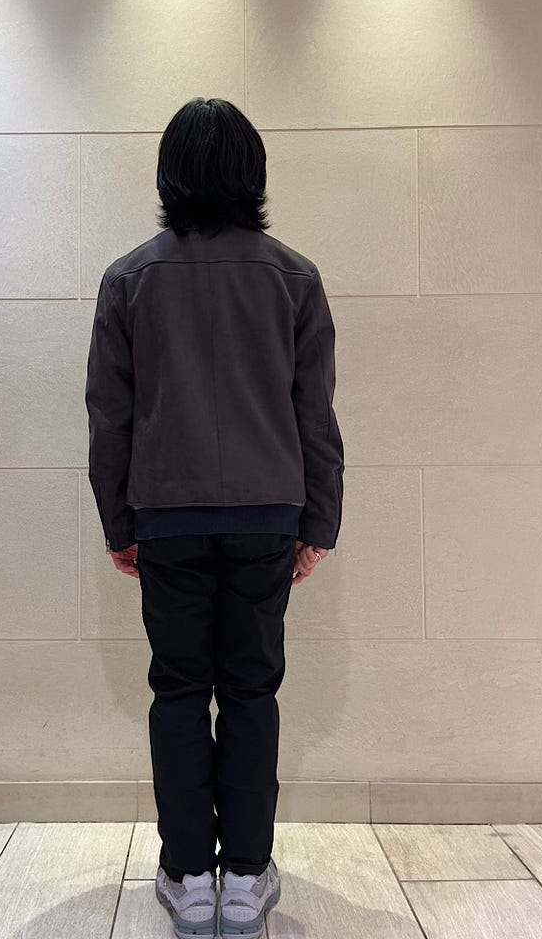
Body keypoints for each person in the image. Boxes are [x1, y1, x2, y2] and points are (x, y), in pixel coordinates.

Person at [85, 97, 344, 939]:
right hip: (268, 514)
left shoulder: (128, 279)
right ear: (252, 174)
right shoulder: (294, 277)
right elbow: (314, 413)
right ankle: (246, 880)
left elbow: (110, 418)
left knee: (177, 689)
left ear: (170, 176)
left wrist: (118, 521)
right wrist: (320, 520)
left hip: (166, 514)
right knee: (251, 689)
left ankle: (191, 877)